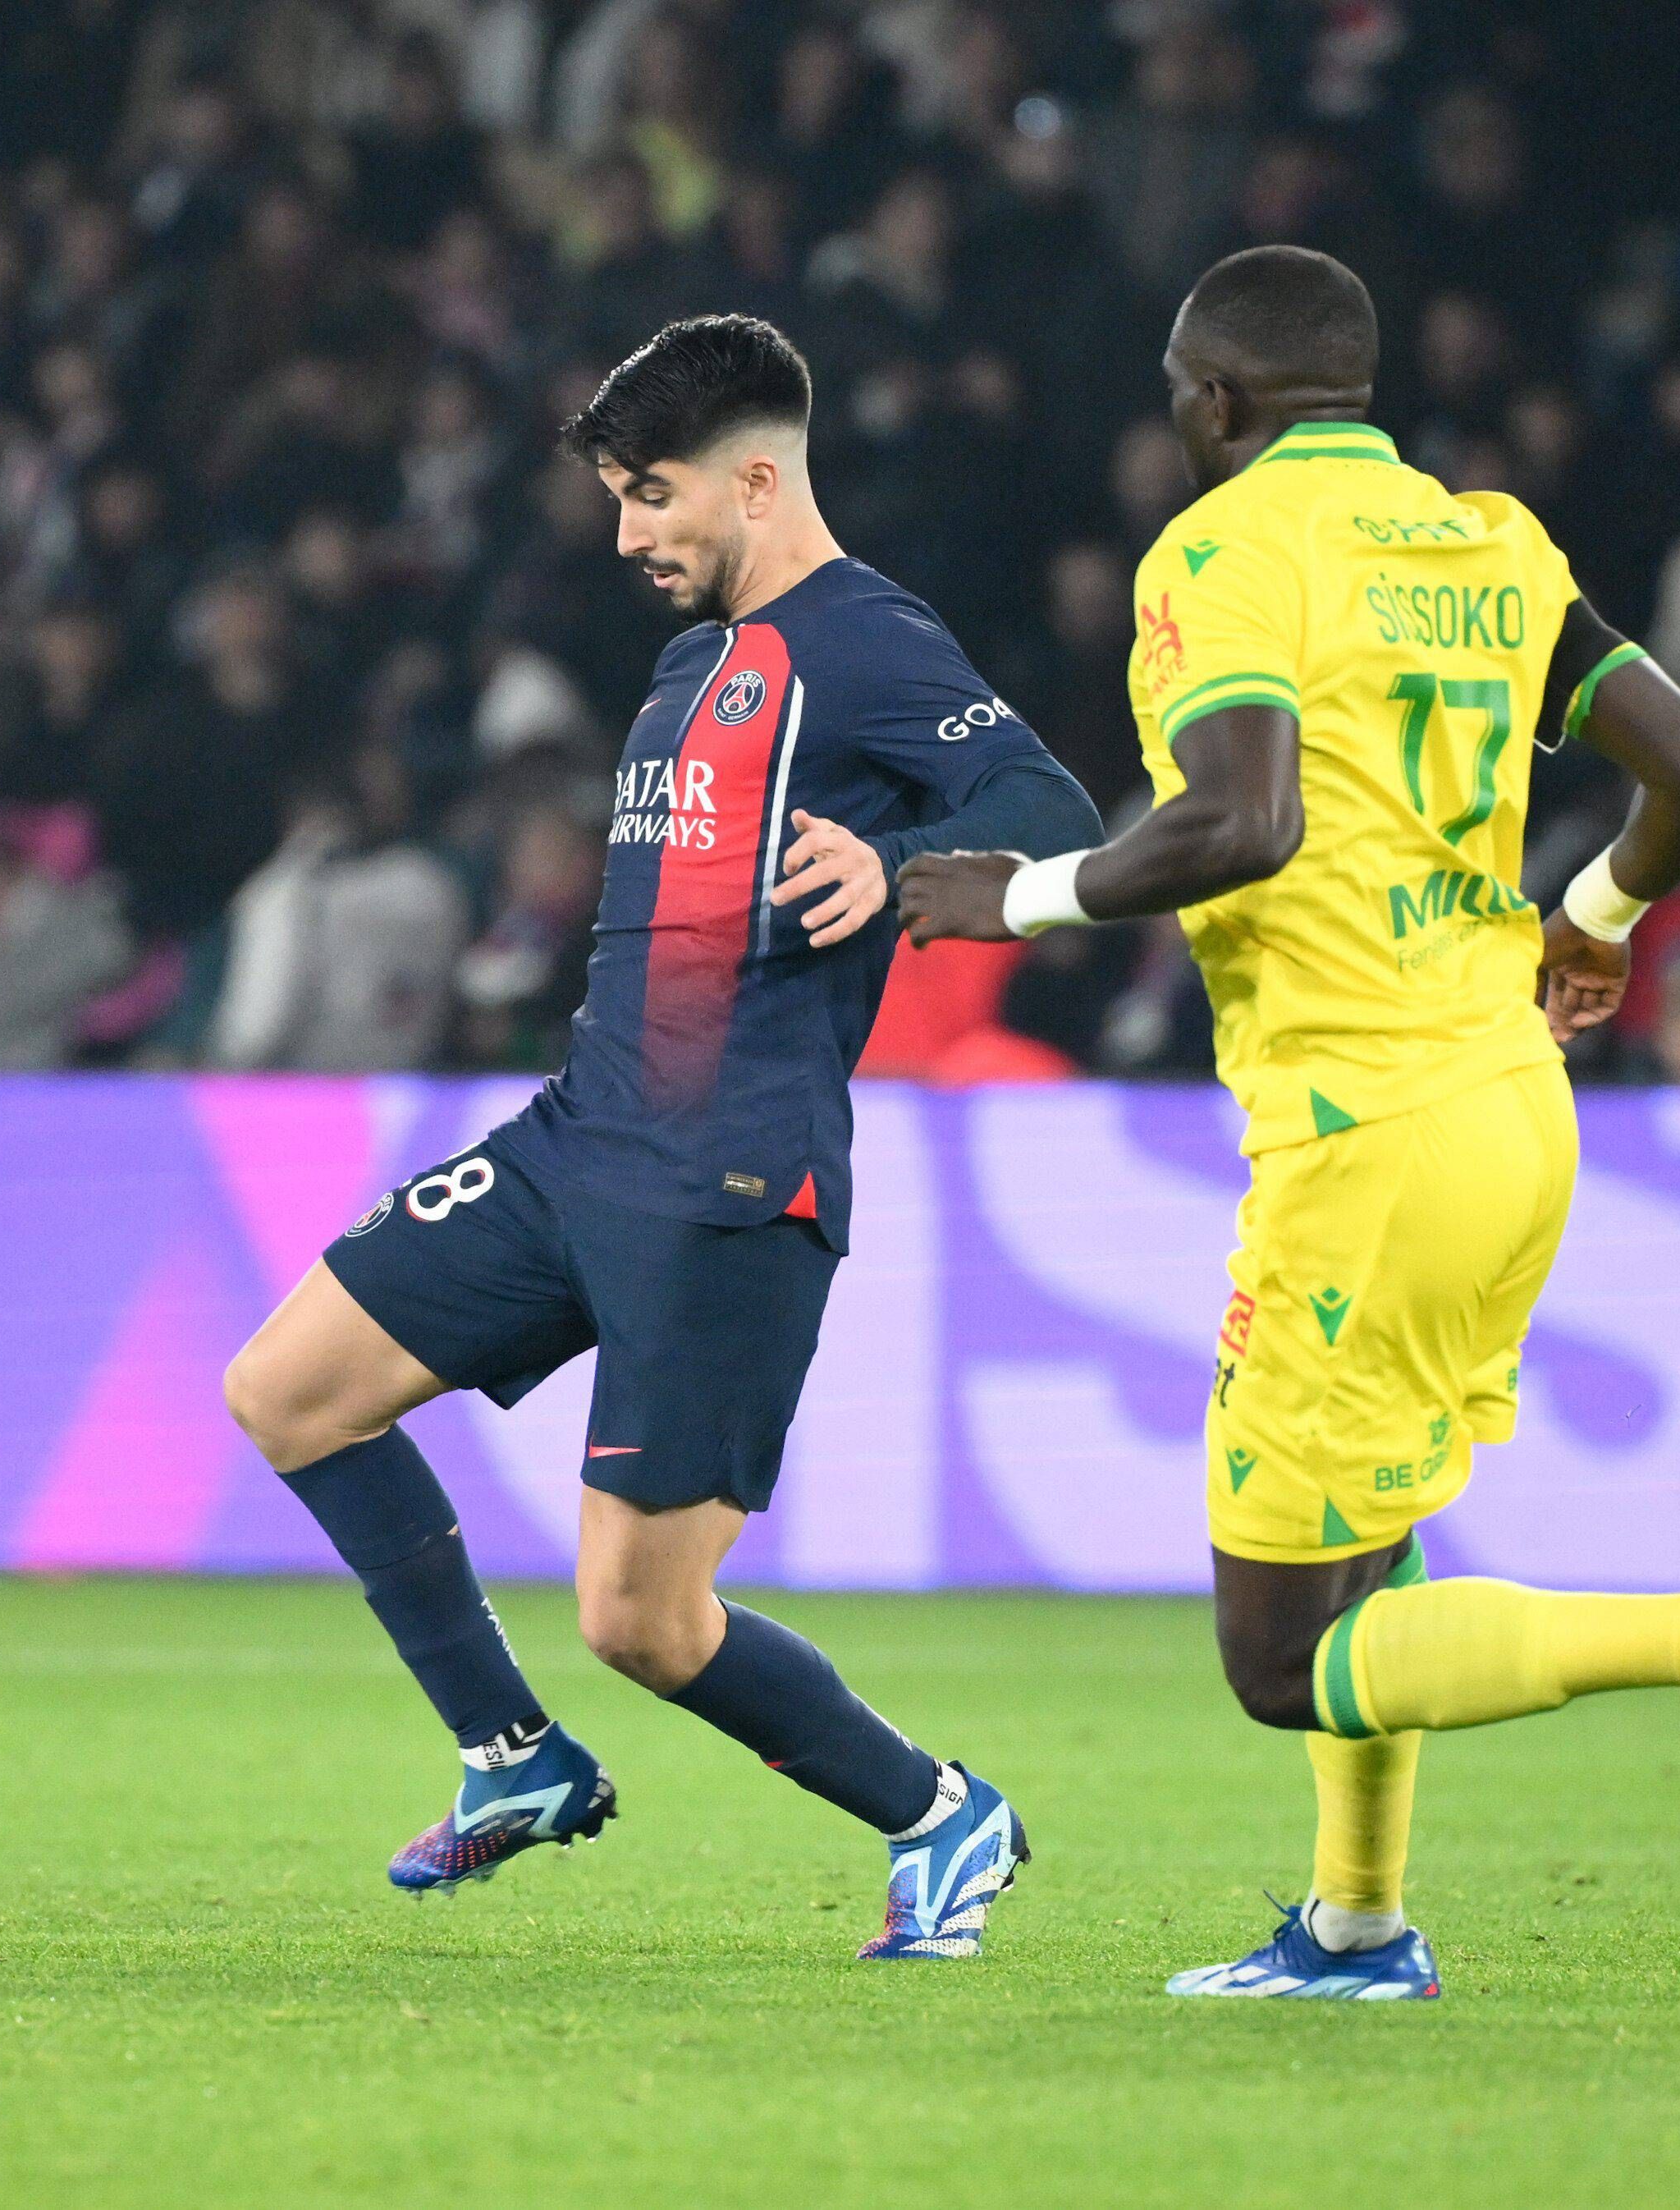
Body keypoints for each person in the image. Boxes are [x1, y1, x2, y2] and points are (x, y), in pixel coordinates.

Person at [899, 246, 1680, 2003]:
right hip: (1514, 1101)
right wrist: (1591, 909)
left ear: (1213, 400)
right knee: (1374, 1538)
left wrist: (1020, 896)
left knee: (1283, 1656)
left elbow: (1240, 819)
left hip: (1364, 1132)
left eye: (1174, 387)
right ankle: (1356, 1928)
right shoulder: (1489, 544)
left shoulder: (1220, 551)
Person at [218, 317, 1101, 1960]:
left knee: (637, 1616)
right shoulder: (692, 660)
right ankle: (513, 1753)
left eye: (650, 494)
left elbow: (1056, 815)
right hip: (577, 1143)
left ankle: (935, 1809)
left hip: (729, 1180)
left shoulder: (870, 638)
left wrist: (902, 876)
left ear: (756, 480)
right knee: (285, 1387)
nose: (628, 534)